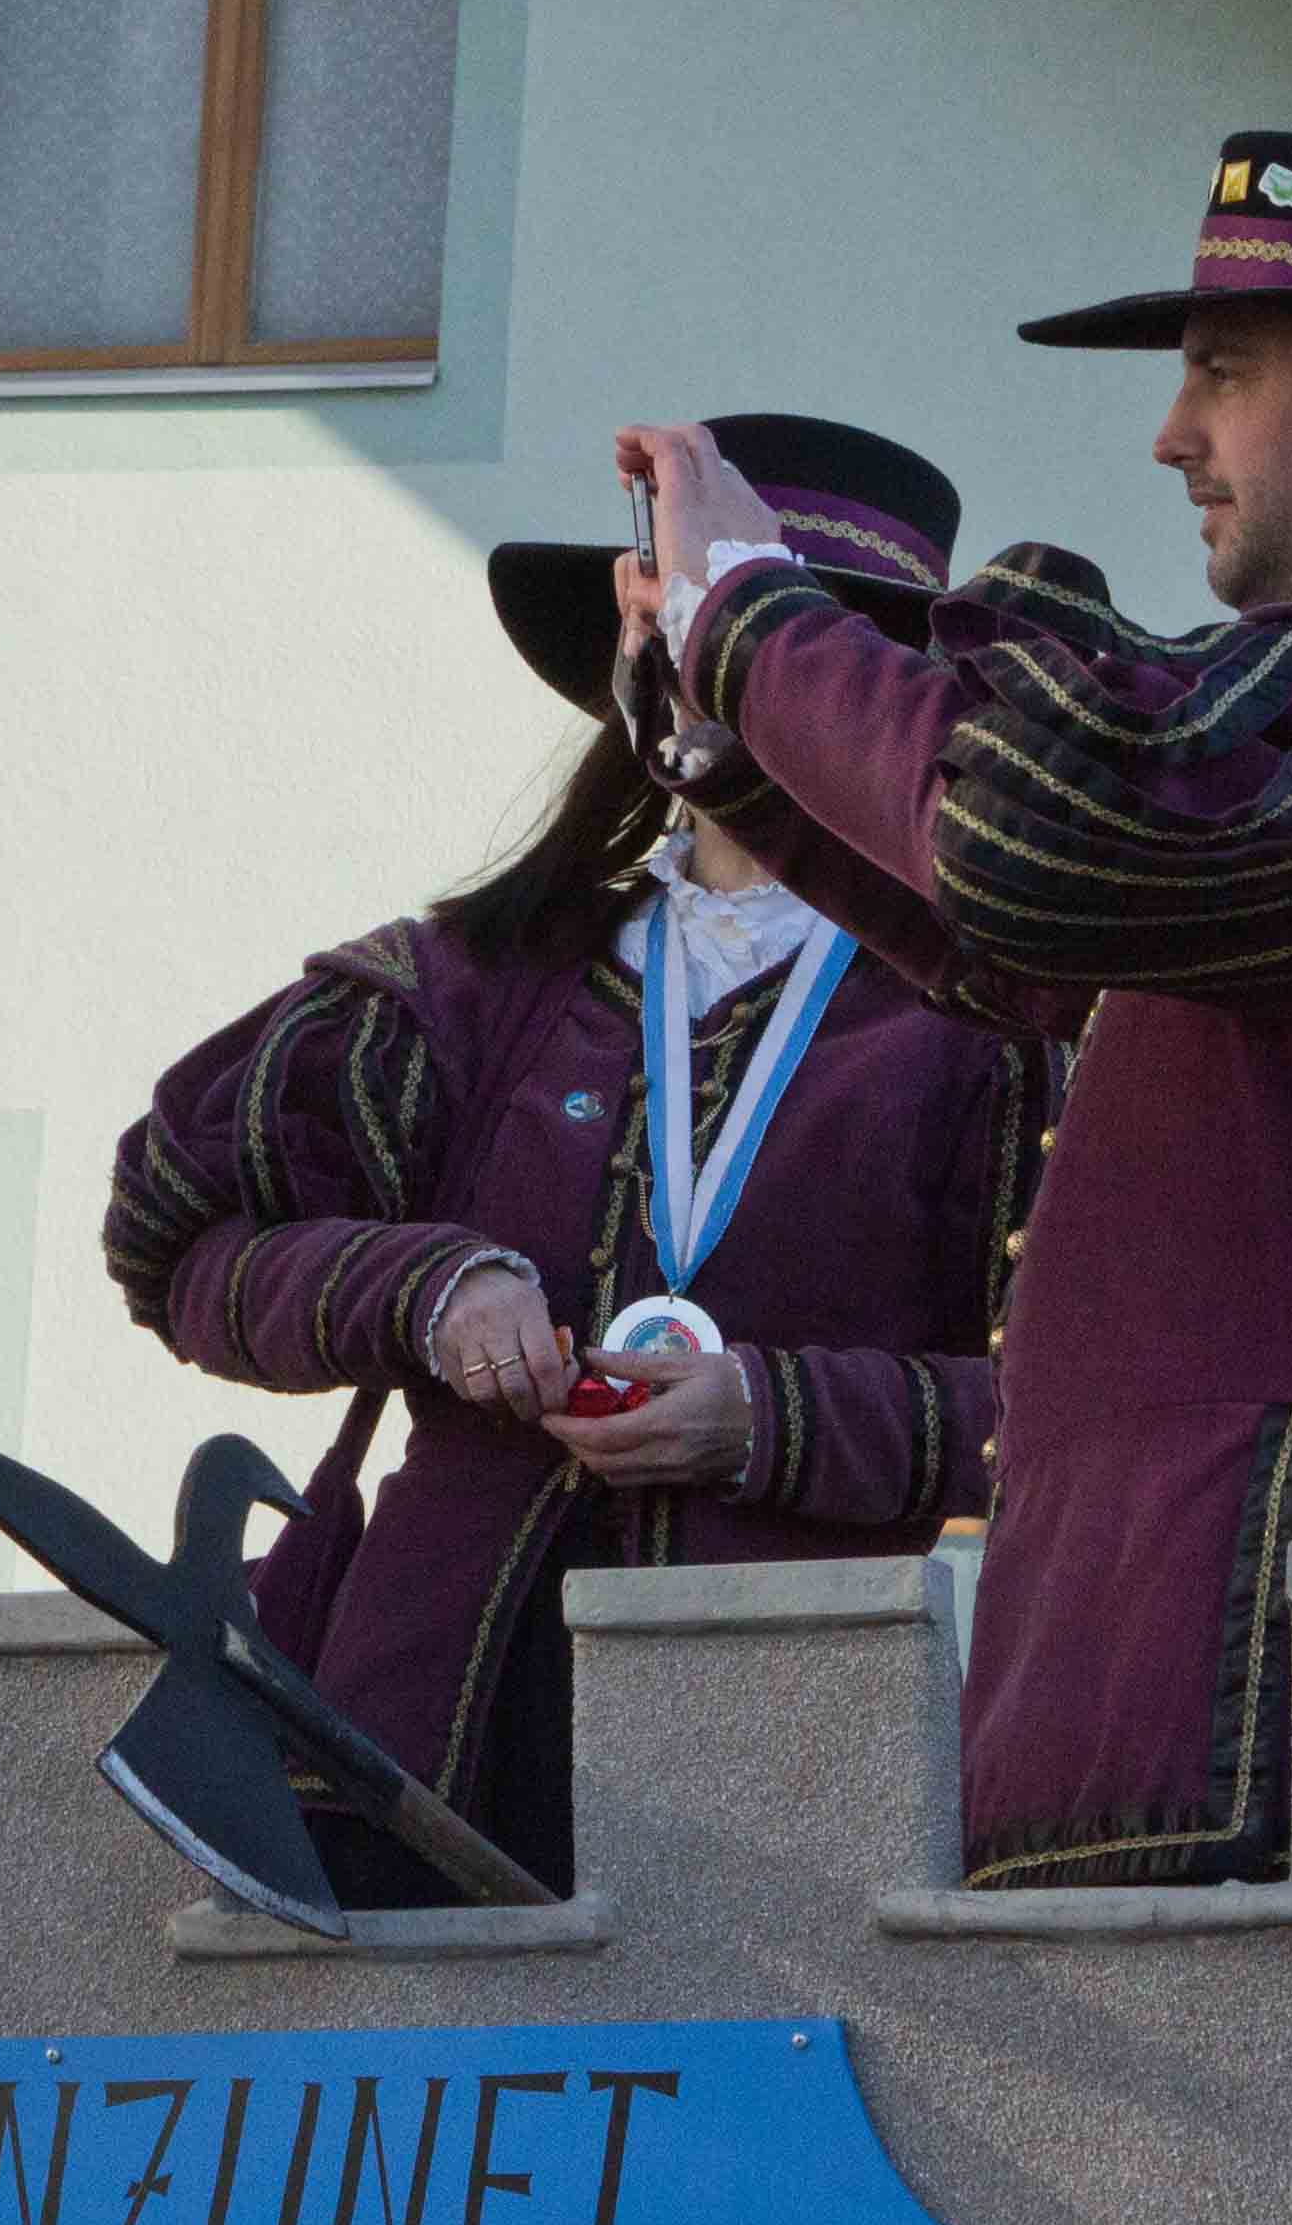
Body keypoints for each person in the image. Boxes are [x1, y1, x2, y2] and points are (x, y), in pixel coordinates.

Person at [619, 135, 1292, 1889]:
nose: (1169, 435)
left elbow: (1049, 849)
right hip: (1235, 1677)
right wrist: (728, 719)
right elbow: (1025, 929)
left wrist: (749, 615)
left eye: (1221, 373)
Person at [106, 418, 1060, 1902]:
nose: (726, 685)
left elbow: (1080, 1410)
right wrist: (425, 1289)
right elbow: (181, 1242)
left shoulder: (1001, 1024)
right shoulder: (471, 986)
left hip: (798, 1756)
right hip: (426, 1732)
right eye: (685, 632)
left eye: (771, 643)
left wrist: (774, 1416)